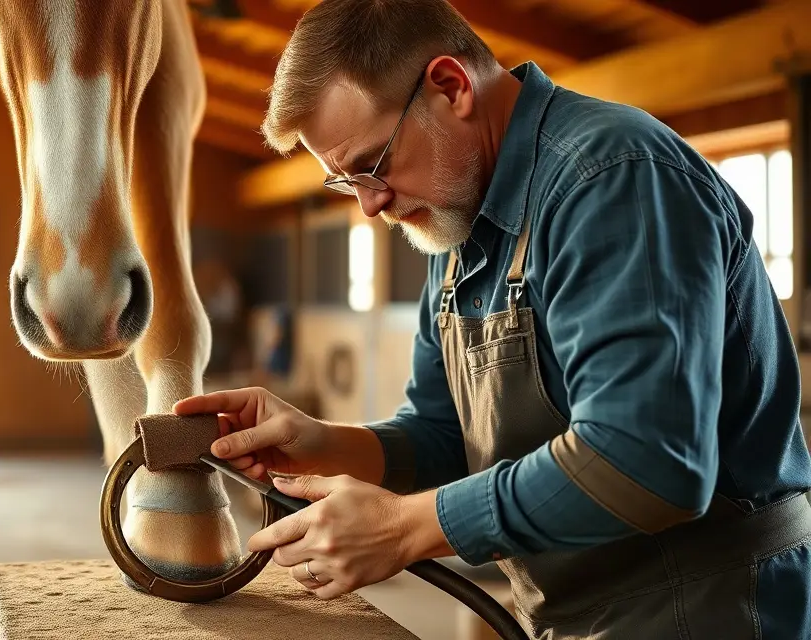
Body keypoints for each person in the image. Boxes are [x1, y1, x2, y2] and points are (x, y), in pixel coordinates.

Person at [173, 0, 811, 637]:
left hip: (708, 609)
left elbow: (647, 460)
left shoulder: (611, 178)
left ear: (451, 88)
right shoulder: (457, 227)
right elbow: (447, 438)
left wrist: (404, 528)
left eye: (372, 164)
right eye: (345, 183)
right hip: (578, 614)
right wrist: (326, 445)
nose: (370, 205)